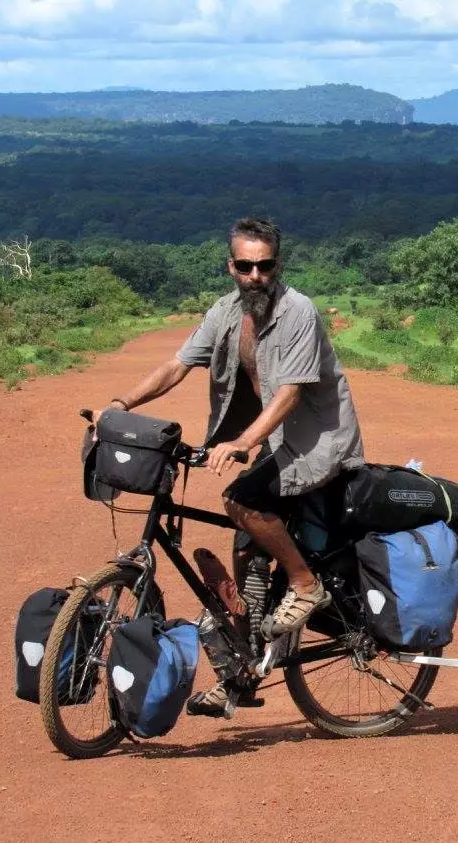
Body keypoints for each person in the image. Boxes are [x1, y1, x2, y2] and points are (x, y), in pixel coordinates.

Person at [93, 217, 365, 716]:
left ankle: (307, 585)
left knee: (240, 501)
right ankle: (241, 675)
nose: (255, 274)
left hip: (313, 442)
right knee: (246, 558)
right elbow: (178, 364)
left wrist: (243, 442)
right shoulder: (224, 311)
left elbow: (291, 392)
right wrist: (120, 404)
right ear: (231, 266)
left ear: (277, 265)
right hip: (270, 443)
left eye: (264, 265)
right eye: (245, 265)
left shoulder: (298, 311)